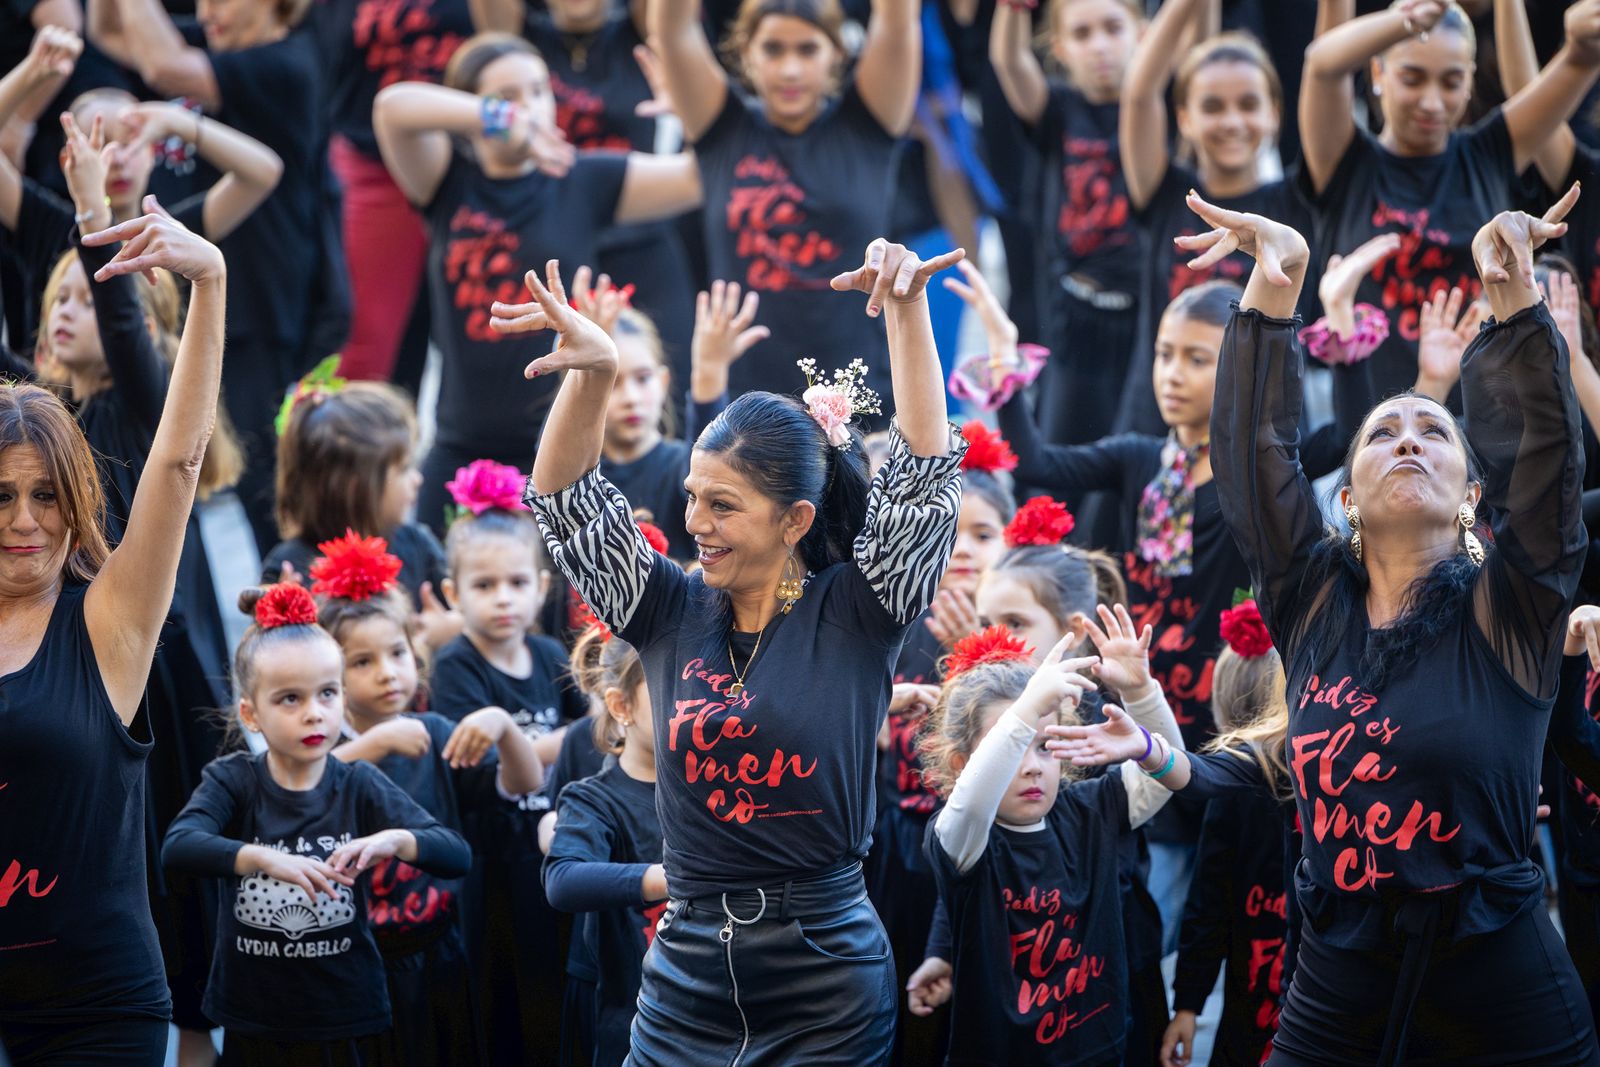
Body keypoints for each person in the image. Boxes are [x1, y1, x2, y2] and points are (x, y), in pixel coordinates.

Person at [1051, 189, 1600, 1065]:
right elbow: (1251, 461)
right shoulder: (1312, 603)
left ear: (1470, 493)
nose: (1408, 440)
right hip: (1337, 983)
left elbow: (1548, 471)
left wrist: (1516, 303)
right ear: (1347, 498)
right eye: (1383, 433)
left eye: (1434, 431)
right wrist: (1274, 292)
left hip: (1501, 988)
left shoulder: (1511, 611)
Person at [510, 235, 965, 1062]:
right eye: (691, 497)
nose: (694, 523)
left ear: (795, 520)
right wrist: (596, 372)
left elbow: (923, 480)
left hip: (826, 977)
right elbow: (565, 501)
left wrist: (906, 313)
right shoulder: (665, 607)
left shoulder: (862, 609)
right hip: (684, 972)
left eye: (722, 505)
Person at [0, 205, 225, 1065]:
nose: (25, 520)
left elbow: (178, 460)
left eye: (46, 495)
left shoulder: (109, 623)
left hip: (95, 1009)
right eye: (2, 496)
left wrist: (210, 281)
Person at [372, 31, 702, 534]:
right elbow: (392, 107)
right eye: (506, 97)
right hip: (461, 445)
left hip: (554, 447)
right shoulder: (444, 179)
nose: (528, 108)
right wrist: (501, 120)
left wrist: (689, 112)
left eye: (538, 91)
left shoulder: (580, 179)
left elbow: (698, 178)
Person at [162, 582, 473, 1065]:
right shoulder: (234, 780)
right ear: (251, 713)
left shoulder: (358, 783)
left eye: (327, 693)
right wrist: (262, 858)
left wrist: (395, 839)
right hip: (256, 1013)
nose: (313, 714)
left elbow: (455, 853)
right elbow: (179, 847)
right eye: (290, 699)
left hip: (346, 1012)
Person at [88, 0, 347, 553]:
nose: (207, 11)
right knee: (168, 476)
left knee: (259, 488)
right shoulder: (206, 38)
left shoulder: (287, 62)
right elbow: (107, 29)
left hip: (256, 308)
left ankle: (286, 594)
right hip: (174, 296)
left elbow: (163, 67)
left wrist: (175, 114)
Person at [1297, 0, 1600, 427]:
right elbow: (1322, 65)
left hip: (1481, 435)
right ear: (1378, 73)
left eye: (1451, 81)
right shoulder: (1345, 162)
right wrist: (1403, 22)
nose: (1432, 102)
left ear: (1470, 79)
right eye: (1412, 78)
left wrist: (1581, 44)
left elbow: (1578, 61)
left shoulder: (1490, 151)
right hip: (1373, 434)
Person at [314, 531, 542, 1067]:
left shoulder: (434, 733)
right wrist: (373, 744)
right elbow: (295, 788)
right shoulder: (323, 747)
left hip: (442, 949)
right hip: (354, 962)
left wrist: (504, 726)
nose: (387, 672)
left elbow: (526, 782)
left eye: (397, 653)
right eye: (361, 662)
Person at [920, 629, 1181, 1065]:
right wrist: (1027, 710)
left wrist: (1140, 692)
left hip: (1101, 1053)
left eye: (1044, 746)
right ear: (962, 765)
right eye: (1014, 747)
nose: (1032, 767)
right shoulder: (963, 837)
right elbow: (972, 800)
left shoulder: (1092, 810)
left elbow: (1165, 773)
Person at [648, 0, 922, 409]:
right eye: (772, 49)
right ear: (746, 54)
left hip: (859, 394)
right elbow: (674, 29)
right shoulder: (721, 128)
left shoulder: (868, 124)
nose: (790, 69)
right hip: (744, 401)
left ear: (837, 54)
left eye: (808, 50)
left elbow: (897, 19)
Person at [0, 27, 281, 361]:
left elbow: (263, 173)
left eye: (130, 142)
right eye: (100, 143)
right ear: (68, 161)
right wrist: (32, 70)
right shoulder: (48, 225)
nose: (117, 158)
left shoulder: (171, 232)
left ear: (151, 154)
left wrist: (180, 122)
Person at [471, 0, 700, 405]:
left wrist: (686, 105)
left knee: (665, 387)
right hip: (555, 241)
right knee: (559, 391)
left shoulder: (638, 35)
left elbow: (676, 18)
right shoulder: (523, 48)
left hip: (642, 237)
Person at [426, 498, 587, 1060]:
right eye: (484, 585)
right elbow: (478, 768)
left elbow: (588, 733)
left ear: (541, 588)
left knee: (552, 982)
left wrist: (536, 743)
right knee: (504, 992)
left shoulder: (546, 652)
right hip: (491, 857)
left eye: (517, 583)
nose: (503, 598)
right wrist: (558, 741)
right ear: (454, 594)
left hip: (548, 848)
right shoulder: (456, 664)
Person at [1117, 0, 1306, 436]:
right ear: (1183, 118)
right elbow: (1139, 94)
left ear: (1274, 114)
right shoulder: (1166, 192)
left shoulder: (1297, 201)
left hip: (1264, 430)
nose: (1232, 121)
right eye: (1213, 106)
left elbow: (1324, 69)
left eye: (1248, 104)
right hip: (1161, 425)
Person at [989, 0, 1144, 449]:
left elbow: (1197, 35)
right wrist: (1014, 7)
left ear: (1143, 33)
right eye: (1081, 34)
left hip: (1150, 312)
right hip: (1075, 314)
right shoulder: (1057, 108)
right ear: (1059, 48)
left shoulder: (1160, 103)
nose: (1100, 46)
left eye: (1113, 28)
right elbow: (1009, 59)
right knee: (1064, 449)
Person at [311, 0, 475, 389]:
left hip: (473, 163)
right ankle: (349, 427)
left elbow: (507, 38)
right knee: (362, 340)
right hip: (370, 163)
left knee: (483, 335)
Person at [1161, 605, 1291, 1067]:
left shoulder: (1229, 789)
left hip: (1250, 1000)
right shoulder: (1327, 774)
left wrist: (1187, 1007)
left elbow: (1207, 907)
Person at [543, 624, 666, 1067]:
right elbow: (563, 879)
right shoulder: (593, 799)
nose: (690, 704)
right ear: (621, 706)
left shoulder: (717, 784)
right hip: (625, 1010)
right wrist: (672, 878)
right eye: (669, 689)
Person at [596, 280, 759, 561]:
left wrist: (709, 373)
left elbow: (710, 464)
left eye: (643, 378)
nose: (631, 398)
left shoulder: (680, 467)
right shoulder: (581, 476)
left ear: (663, 381)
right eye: (611, 382)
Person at [263, 380, 446, 610]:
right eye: (403, 469)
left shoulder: (417, 545)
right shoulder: (291, 566)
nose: (417, 479)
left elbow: (459, 608)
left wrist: (451, 625)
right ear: (354, 487)